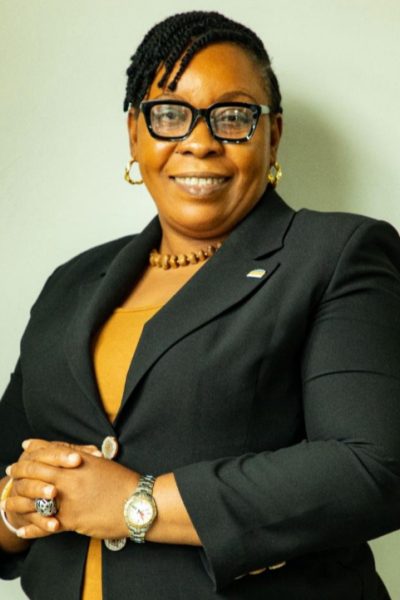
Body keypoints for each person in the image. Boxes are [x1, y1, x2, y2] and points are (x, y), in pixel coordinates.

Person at [1, 10, 400, 600]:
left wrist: (136, 503)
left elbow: (372, 468)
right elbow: (8, 465)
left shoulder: (336, 253)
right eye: (169, 114)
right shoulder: (72, 282)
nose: (199, 141)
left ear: (272, 135)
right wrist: (14, 510)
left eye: (233, 117)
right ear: (135, 134)